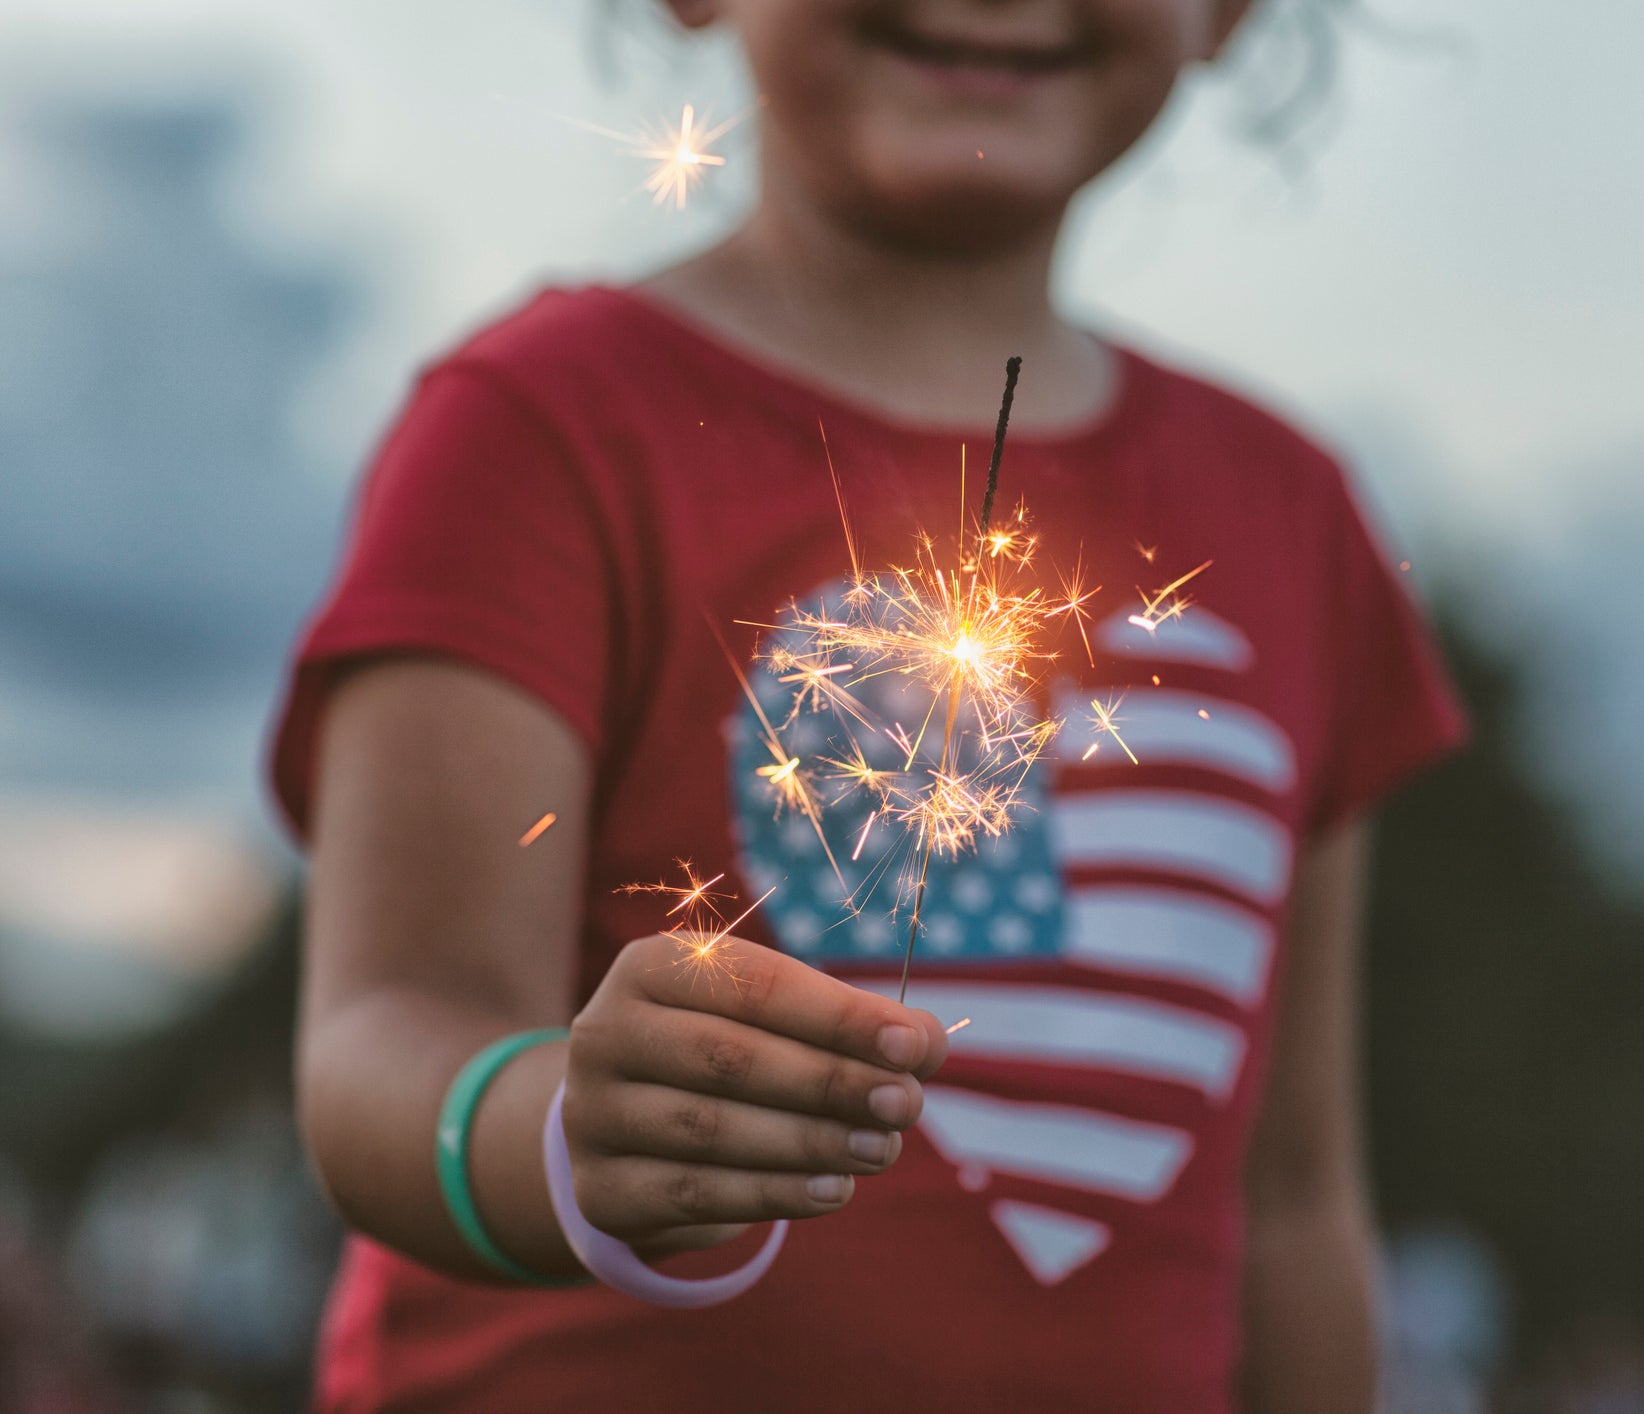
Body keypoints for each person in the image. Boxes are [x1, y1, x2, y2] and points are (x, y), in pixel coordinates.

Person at [272, 2, 1465, 1409]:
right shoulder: (536, 431)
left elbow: (1295, 1194)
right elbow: (385, 1035)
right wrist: (555, 1137)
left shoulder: (1292, 521)